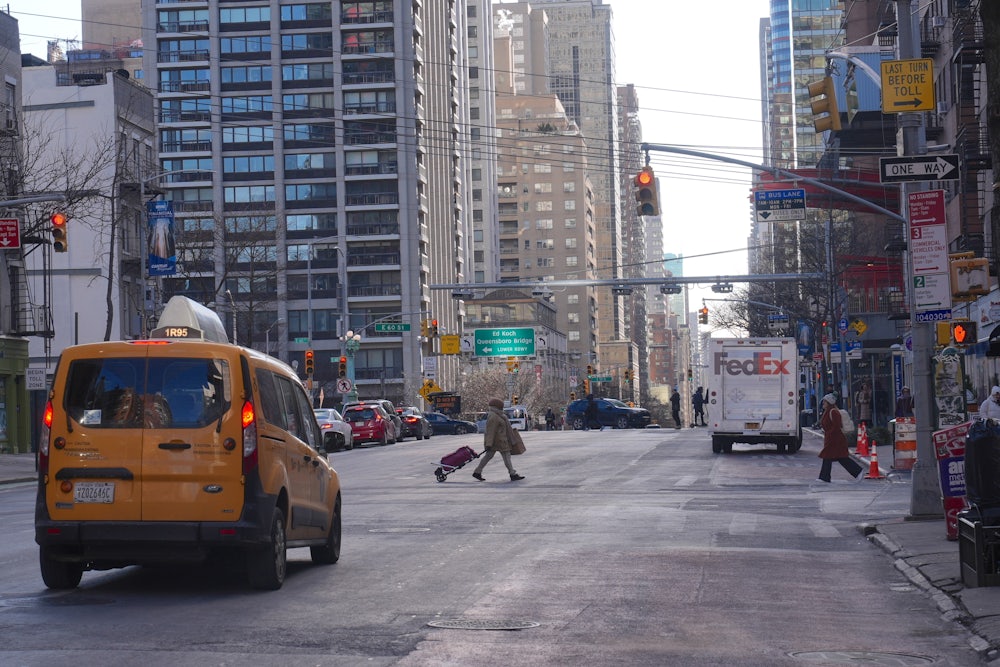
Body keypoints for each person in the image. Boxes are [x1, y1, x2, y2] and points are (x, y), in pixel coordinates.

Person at [472, 398, 524, 482]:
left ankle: (477, 472)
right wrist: (489, 444)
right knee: (506, 457)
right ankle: (512, 474)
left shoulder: (498, 415)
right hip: (499, 441)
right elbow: (490, 431)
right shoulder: (494, 416)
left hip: (499, 441)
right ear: (497, 406)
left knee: (489, 456)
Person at [817, 393, 865, 483]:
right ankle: (825, 477)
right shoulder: (827, 412)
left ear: (829, 402)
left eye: (825, 401)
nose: (823, 403)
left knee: (832, 457)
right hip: (832, 439)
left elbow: (837, 426)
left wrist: (829, 434)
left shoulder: (833, 412)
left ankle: (825, 477)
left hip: (836, 439)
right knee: (839, 457)